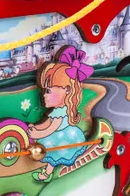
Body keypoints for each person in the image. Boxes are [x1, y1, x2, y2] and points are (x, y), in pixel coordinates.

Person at [28, 46, 92, 182]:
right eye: (44, 90)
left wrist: (37, 134)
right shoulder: (57, 110)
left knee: (53, 154)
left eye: (48, 91)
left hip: (63, 137)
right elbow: (47, 123)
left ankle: (47, 174)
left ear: (67, 90)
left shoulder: (61, 112)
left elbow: (51, 128)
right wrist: (37, 127)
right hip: (59, 134)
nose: (44, 95)